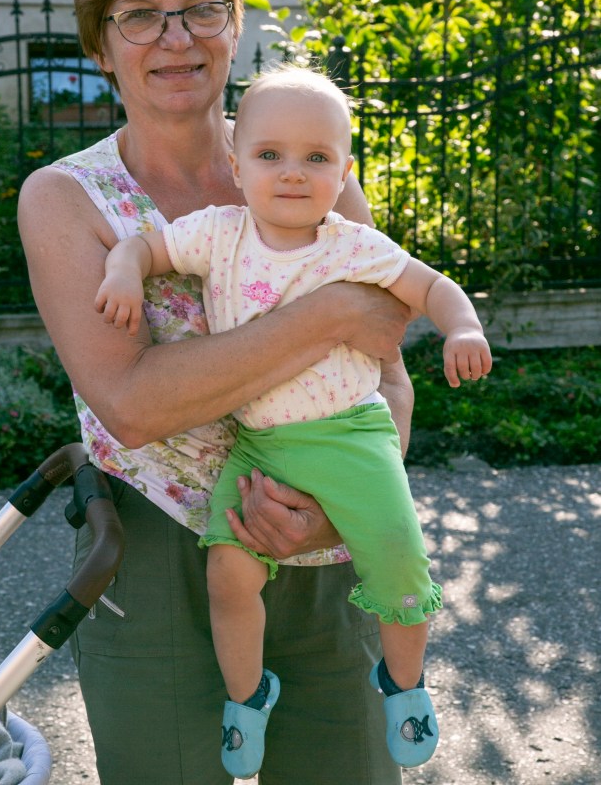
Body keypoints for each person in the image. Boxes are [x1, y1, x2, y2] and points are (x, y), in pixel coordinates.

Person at [18, 0, 415, 785]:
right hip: (156, 545)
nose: (176, 39)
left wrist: (342, 498)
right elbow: (131, 402)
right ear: (100, 43)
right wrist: (329, 314)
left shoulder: (298, 163)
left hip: (320, 524)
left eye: (200, 8)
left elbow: (387, 373)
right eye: (141, 16)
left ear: (234, 24)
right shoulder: (67, 199)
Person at [95, 64, 493, 776]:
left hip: (350, 437)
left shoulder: (350, 245)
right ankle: (248, 699)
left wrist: (461, 328)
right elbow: (143, 247)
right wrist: (124, 272)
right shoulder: (217, 234)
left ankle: (402, 684)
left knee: (399, 562)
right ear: (236, 164)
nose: (291, 173)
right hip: (261, 445)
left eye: (316, 157)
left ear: (343, 170)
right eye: (269, 155)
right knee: (228, 570)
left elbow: (430, 286)